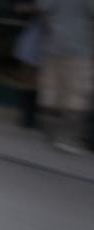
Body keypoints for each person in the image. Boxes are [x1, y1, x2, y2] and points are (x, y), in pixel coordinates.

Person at [30, 0, 94, 154]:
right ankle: (67, 138)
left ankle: (51, 133)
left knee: (52, 92)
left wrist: (55, 27)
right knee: (76, 94)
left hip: (54, 46)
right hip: (80, 50)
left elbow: (41, 8)